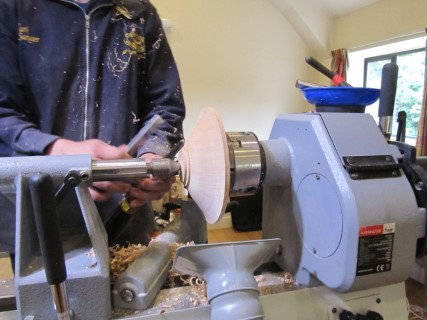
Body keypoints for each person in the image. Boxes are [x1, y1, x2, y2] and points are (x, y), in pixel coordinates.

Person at [0, 0, 185, 259]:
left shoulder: (139, 14)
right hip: (38, 216)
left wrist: (152, 161)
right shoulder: (11, 9)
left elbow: (166, 111)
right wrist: (57, 152)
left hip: (124, 216)